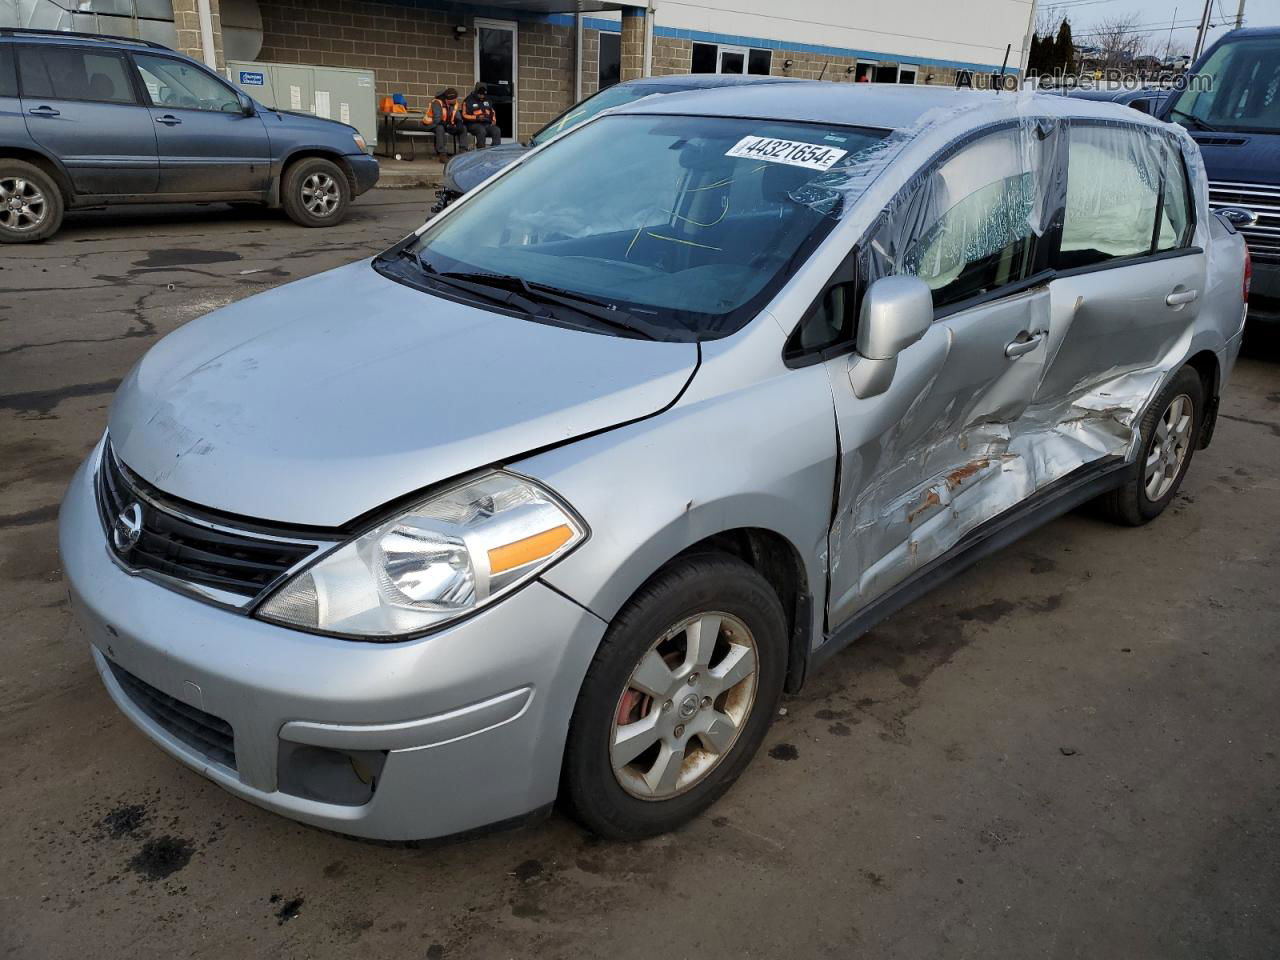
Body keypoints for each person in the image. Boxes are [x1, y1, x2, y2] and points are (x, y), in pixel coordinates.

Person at [423, 88, 465, 162]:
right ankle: (442, 153)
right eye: (453, 99)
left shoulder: (454, 103)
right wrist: (448, 126)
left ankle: (463, 151)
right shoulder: (437, 103)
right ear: (447, 99)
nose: (455, 100)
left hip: (445, 124)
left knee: (463, 127)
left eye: (456, 98)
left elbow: (457, 116)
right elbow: (437, 119)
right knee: (440, 128)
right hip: (431, 124)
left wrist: (459, 123)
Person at [463, 83, 502, 149]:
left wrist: (493, 120)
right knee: (481, 131)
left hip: (486, 123)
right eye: (480, 94)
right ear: (476, 92)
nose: (482, 96)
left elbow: (492, 111)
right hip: (473, 124)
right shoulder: (468, 100)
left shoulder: (488, 100)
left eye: (483, 94)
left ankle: (495, 151)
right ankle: (481, 151)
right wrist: (477, 117)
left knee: (496, 130)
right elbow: (464, 115)